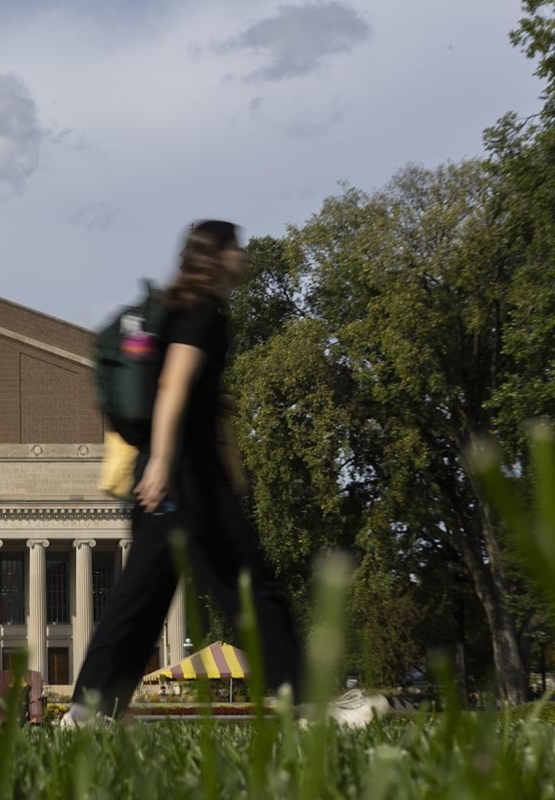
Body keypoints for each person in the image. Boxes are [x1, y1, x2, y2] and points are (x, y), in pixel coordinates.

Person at [63, 221, 383, 728]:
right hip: (186, 478)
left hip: (168, 472)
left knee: (141, 600)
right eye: (239, 248)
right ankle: (309, 705)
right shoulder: (204, 312)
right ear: (218, 257)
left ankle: (89, 710)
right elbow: (173, 386)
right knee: (253, 591)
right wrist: (167, 462)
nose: (246, 257)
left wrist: (159, 461)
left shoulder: (173, 311)